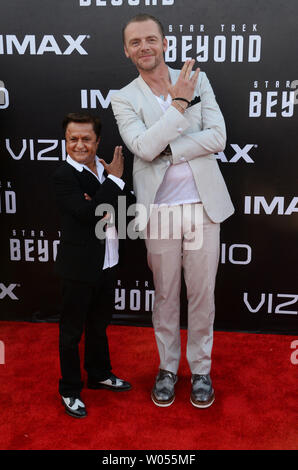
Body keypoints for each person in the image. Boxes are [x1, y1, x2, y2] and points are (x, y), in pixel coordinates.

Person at [111, 14, 234, 408]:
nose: (144, 47)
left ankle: (200, 370)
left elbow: (218, 137)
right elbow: (141, 148)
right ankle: (167, 368)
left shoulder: (199, 79)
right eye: (135, 42)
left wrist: (169, 146)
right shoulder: (123, 97)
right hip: (160, 211)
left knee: (202, 294)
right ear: (126, 51)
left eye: (151, 39)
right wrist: (179, 106)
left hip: (202, 207)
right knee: (165, 296)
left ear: (164, 43)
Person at [52, 112, 131, 418]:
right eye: (73, 139)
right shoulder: (63, 176)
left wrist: (101, 198)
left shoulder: (103, 170)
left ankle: (99, 374)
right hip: (78, 268)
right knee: (71, 332)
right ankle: (70, 389)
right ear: (66, 141)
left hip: (108, 262)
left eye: (86, 139)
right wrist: (113, 183)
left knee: (99, 326)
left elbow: (127, 212)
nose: (79, 145)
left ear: (98, 141)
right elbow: (87, 215)